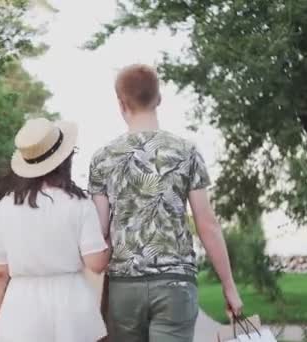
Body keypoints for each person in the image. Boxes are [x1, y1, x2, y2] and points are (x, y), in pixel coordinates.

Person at [89, 64, 243, 342]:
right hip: (176, 284)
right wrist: (229, 286)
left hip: (125, 286)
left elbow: (100, 232)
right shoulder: (187, 152)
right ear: (159, 99)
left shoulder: (103, 158)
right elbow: (207, 224)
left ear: (121, 103)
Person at [0, 118, 110, 342]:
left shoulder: (6, 206)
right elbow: (96, 264)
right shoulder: (79, 203)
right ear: (64, 159)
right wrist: (111, 236)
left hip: (20, 312)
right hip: (73, 307)